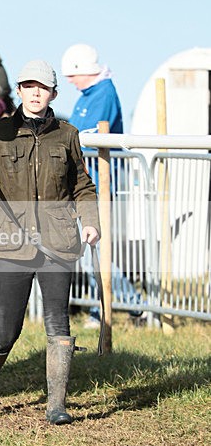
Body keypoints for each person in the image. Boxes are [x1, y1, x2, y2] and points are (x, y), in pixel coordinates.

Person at [0, 59, 100, 425]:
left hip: (59, 241)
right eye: (29, 86)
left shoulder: (67, 135)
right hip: (11, 242)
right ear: (21, 91)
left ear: (53, 93)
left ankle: (56, 404)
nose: (36, 92)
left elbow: (82, 186)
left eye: (42, 87)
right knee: (7, 329)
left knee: (59, 323)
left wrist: (89, 222)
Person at [61, 44, 141, 327]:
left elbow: (86, 135)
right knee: (93, 247)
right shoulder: (88, 94)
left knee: (95, 246)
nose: (70, 80)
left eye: (73, 74)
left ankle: (120, 306)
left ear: (84, 71)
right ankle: (132, 304)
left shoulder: (103, 93)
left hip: (100, 182)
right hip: (85, 183)